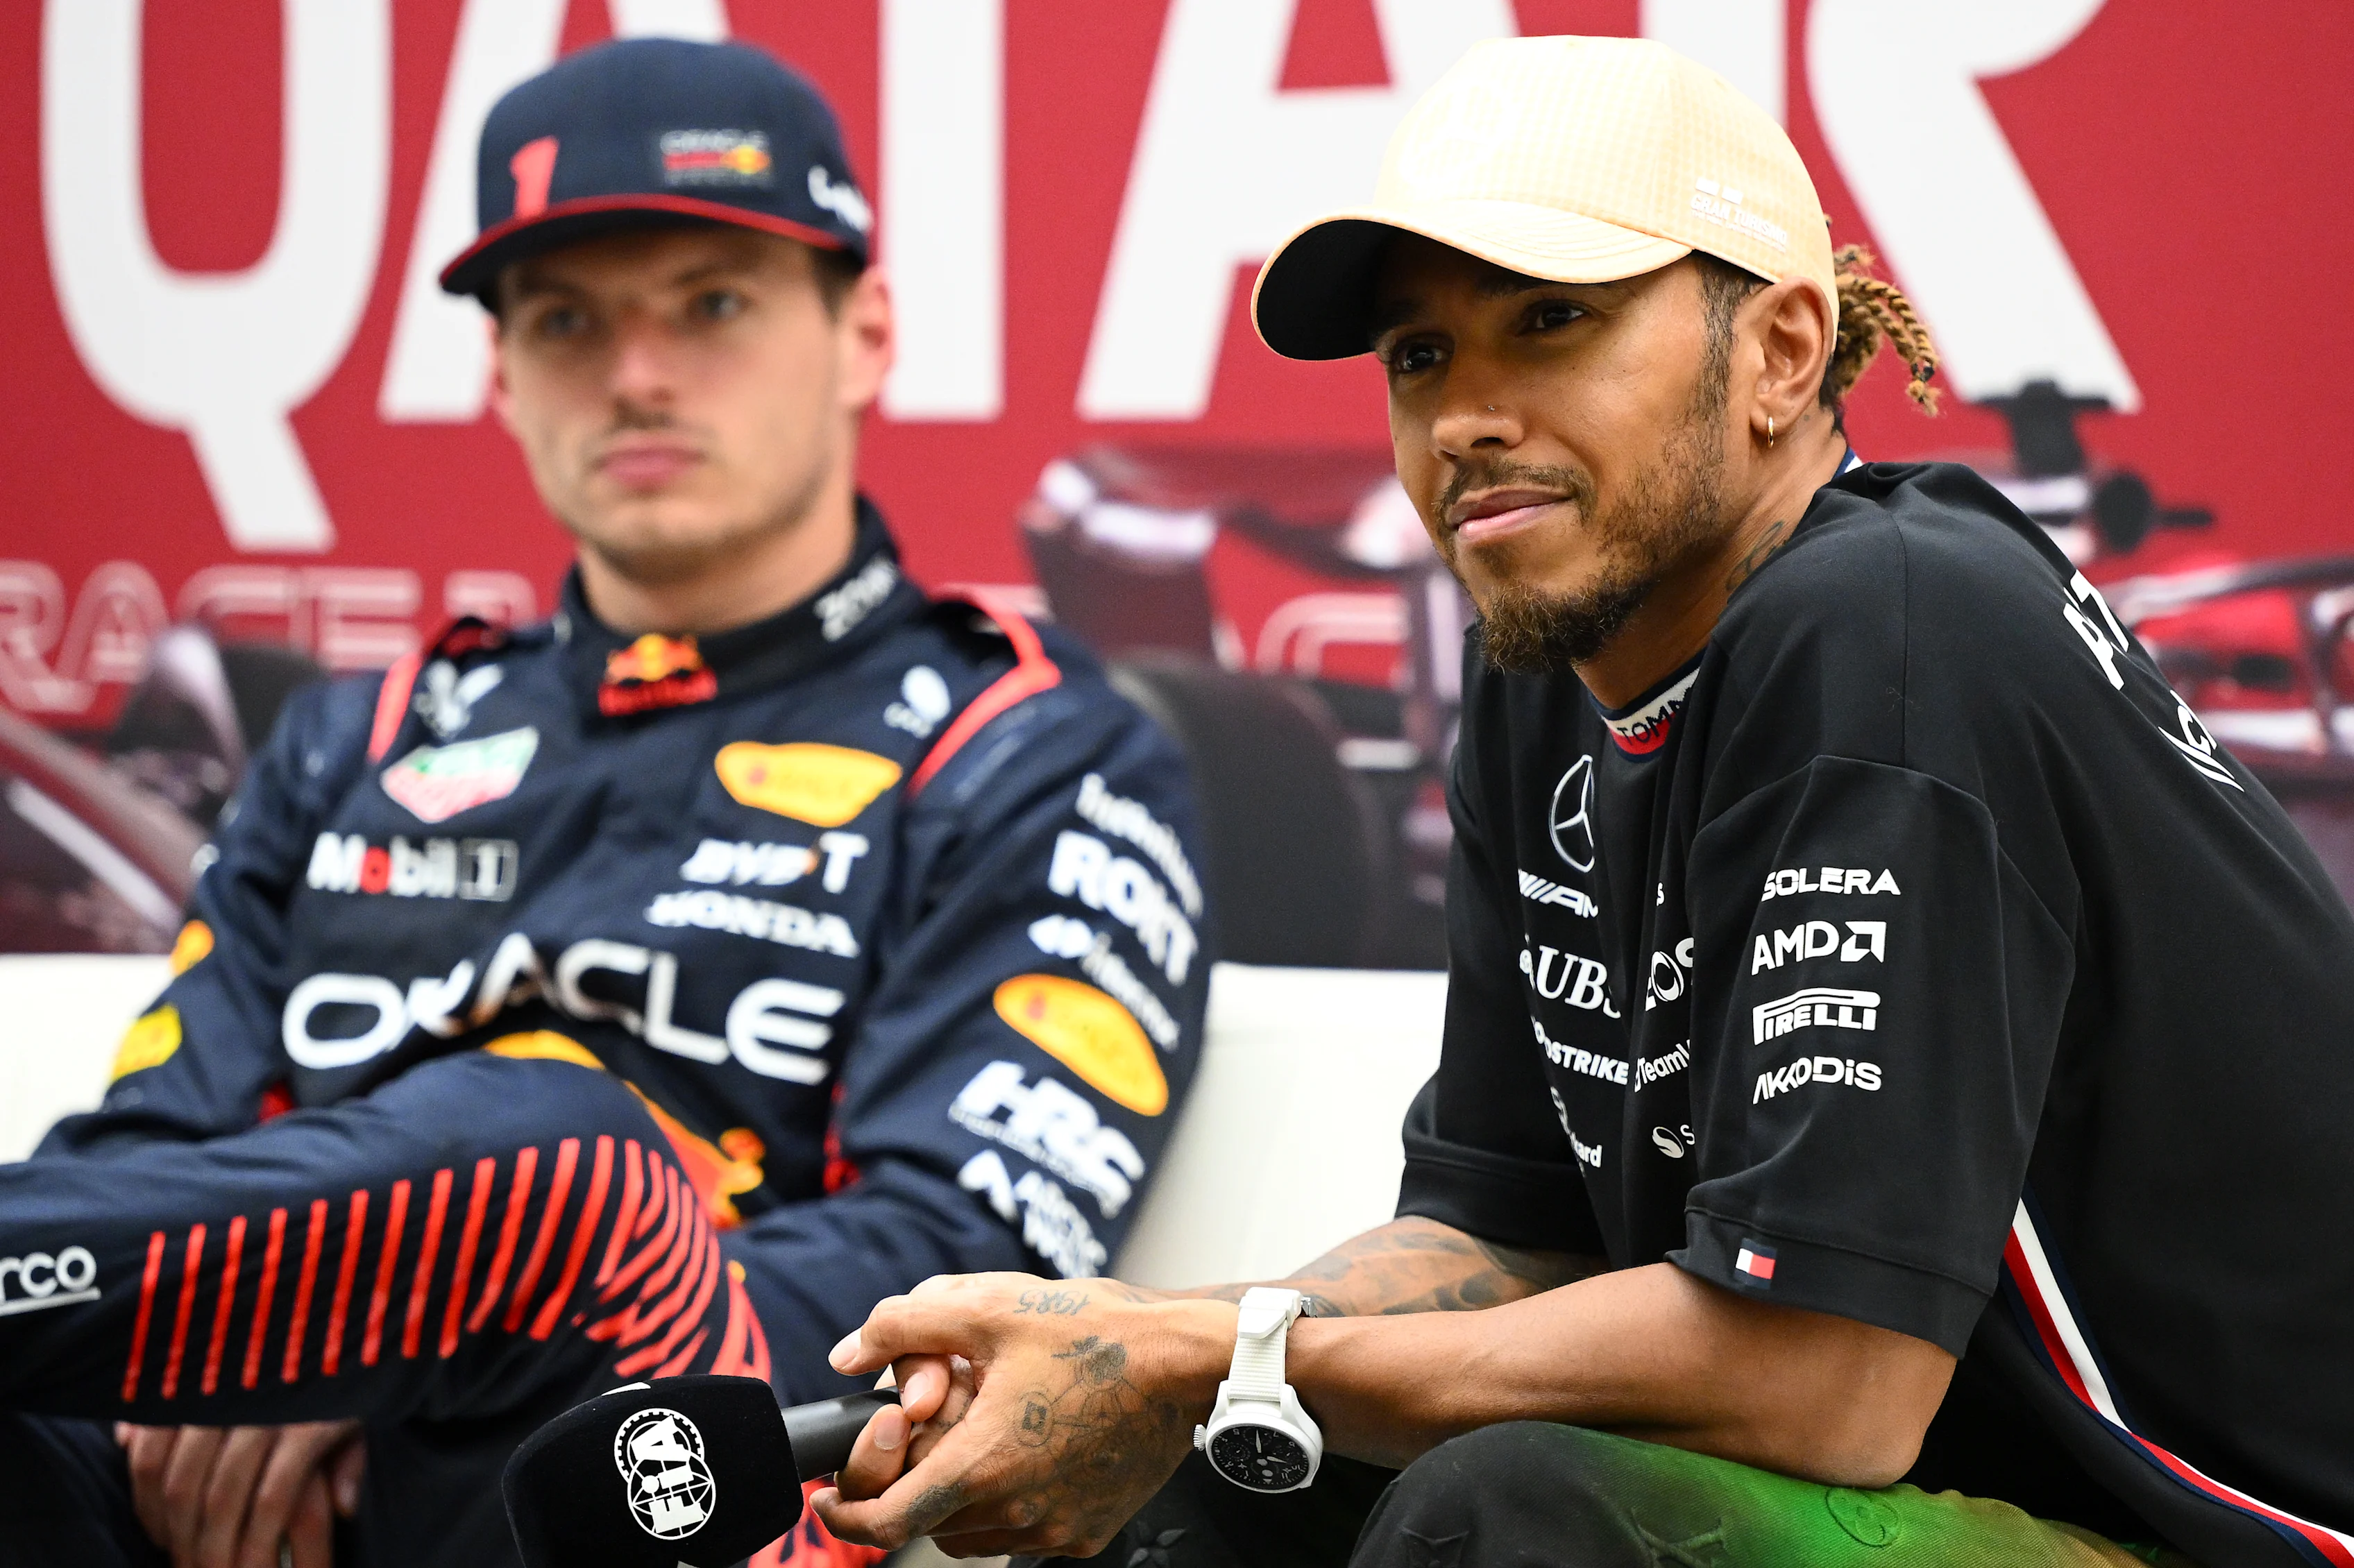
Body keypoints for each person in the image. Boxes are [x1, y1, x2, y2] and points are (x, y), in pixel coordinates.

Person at [808, 35, 2354, 1568]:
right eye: (1420, 354)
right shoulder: (1546, 665)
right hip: (1952, 1487)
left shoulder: (1888, 631)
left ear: (1782, 351)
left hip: (2239, 1531)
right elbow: (1509, 1232)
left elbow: (1827, 1375)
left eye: (1549, 322)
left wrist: (1196, 1354)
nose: (1466, 415)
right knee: (1225, 1478)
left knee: (1512, 1513)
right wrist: (1127, 1347)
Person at [0, 36, 1209, 1568]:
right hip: (246, 1493)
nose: (636, 375)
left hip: (690, 1471)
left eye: (711, 303)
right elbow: (135, 1165)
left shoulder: (1025, 746)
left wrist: (373, 1329)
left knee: (549, 1134)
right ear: (500, 373)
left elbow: (950, 1268)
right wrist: (283, 1320)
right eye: (567, 321)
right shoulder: (353, 738)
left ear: (865, 331)